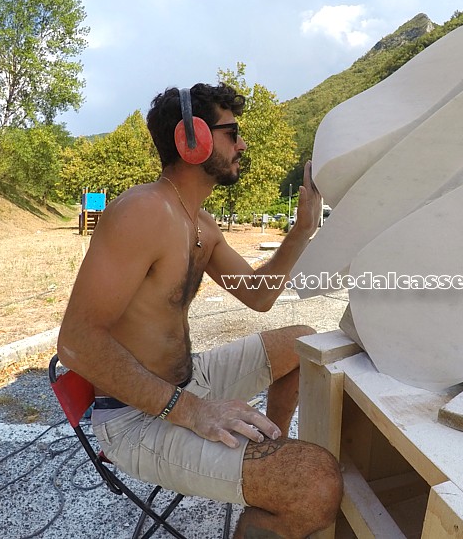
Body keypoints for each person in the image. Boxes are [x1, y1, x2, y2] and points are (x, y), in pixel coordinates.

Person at [57, 83, 343, 539]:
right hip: (137, 416)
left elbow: (258, 295)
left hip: (190, 384)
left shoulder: (201, 223)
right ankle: (271, 472)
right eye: (233, 132)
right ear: (194, 139)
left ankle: (264, 454)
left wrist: (302, 231)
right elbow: (76, 343)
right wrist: (191, 411)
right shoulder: (141, 212)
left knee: (303, 342)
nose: (243, 144)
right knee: (314, 483)